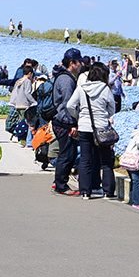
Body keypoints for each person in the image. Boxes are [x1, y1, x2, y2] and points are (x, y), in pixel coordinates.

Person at [66, 62, 117, 199]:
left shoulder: (81, 88)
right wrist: (104, 116)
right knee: (106, 161)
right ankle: (108, 191)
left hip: (84, 127)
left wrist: (79, 116)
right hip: (102, 128)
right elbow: (112, 108)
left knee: (85, 160)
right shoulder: (105, 89)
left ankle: (85, 192)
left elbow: (70, 105)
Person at [51, 48, 82, 195]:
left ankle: (59, 183)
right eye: (79, 61)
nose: (81, 64)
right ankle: (61, 186)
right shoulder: (67, 79)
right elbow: (68, 104)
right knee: (67, 154)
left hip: (62, 120)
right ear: (72, 63)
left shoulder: (64, 77)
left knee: (67, 154)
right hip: (64, 122)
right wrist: (73, 124)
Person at [7, 64, 36, 146]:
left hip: (18, 104)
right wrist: (34, 102)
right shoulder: (27, 81)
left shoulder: (19, 81)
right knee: (26, 123)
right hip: (24, 104)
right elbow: (27, 93)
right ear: (30, 73)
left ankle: (20, 139)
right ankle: (23, 140)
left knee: (20, 122)